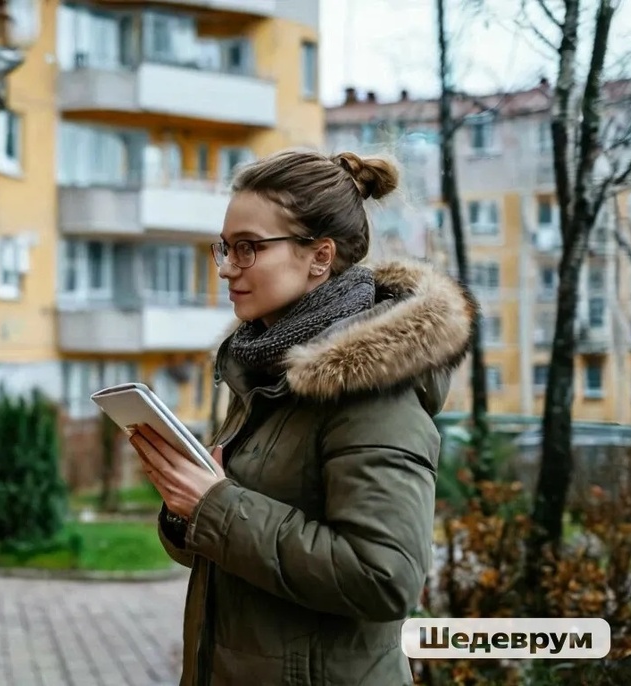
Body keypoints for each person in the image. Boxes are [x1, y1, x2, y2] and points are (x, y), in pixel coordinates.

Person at [126, 148, 477, 685]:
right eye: (224, 248)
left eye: (248, 249)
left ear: (319, 256)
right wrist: (185, 507)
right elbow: (235, 548)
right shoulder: (262, 367)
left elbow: (385, 577)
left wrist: (215, 505)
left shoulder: (371, 389)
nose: (225, 268)